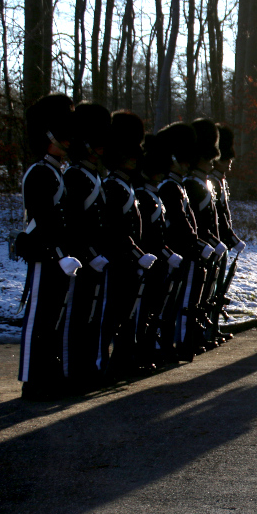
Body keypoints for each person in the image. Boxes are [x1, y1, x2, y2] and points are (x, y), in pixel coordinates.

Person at [16, 93, 80, 400]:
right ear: (48, 136)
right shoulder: (40, 171)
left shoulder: (56, 170)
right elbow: (44, 218)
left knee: (53, 317)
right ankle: (32, 379)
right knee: (38, 319)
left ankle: (47, 373)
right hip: (45, 254)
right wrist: (59, 255)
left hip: (58, 256)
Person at [100, 111, 157, 378]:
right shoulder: (113, 185)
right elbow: (116, 230)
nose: (134, 157)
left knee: (128, 314)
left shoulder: (125, 185)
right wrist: (136, 253)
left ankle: (124, 360)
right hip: (118, 260)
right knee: (115, 315)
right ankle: (110, 363)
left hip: (130, 260)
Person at [60, 102, 111, 386]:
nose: (100, 149)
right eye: (95, 143)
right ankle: (74, 371)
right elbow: (76, 224)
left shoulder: (93, 176)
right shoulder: (75, 176)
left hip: (97, 257)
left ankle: (88, 366)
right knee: (77, 317)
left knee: (92, 316)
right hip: (82, 258)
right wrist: (89, 254)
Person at [156, 122, 216, 362]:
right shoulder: (169, 185)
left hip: (186, 250)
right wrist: (197, 244)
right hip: (177, 251)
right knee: (174, 302)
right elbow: (179, 224)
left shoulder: (177, 184)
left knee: (183, 301)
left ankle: (180, 342)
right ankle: (176, 343)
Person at [134, 132, 183, 367]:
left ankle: (148, 349)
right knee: (142, 311)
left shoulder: (153, 192)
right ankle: (140, 352)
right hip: (146, 260)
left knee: (154, 309)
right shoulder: (143, 194)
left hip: (158, 259)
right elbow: (148, 237)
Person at [185, 118, 227, 350]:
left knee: (205, 293)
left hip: (207, 246)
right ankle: (188, 336)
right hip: (198, 247)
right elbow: (197, 223)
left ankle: (198, 332)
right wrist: (209, 242)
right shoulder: (192, 183)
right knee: (192, 297)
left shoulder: (202, 182)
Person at [209, 123, 246, 342]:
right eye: (226, 159)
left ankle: (212, 325)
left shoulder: (219, 180)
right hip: (215, 242)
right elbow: (218, 216)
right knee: (211, 288)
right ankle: (207, 327)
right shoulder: (212, 180)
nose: (230, 163)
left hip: (221, 242)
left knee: (217, 287)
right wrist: (229, 237)